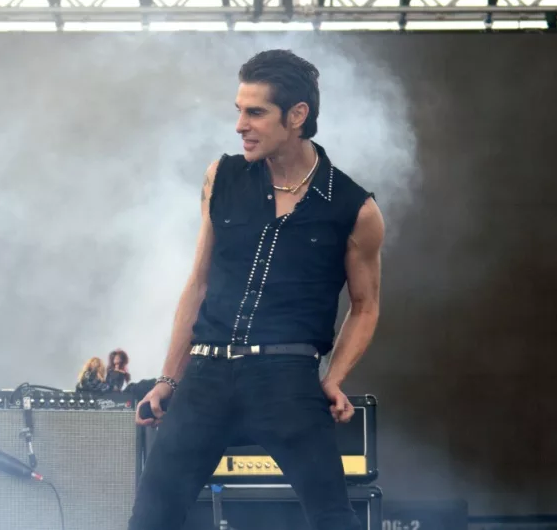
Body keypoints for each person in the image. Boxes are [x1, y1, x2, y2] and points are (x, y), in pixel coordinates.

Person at [130, 49, 385, 530]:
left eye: (255, 112)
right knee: (151, 518)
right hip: (206, 374)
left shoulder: (354, 207)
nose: (240, 126)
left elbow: (365, 306)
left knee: (333, 518)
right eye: (238, 111)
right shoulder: (222, 176)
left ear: (297, 115)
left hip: (287, 378)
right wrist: (168, 378)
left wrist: (333, 378)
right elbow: (198, 283)